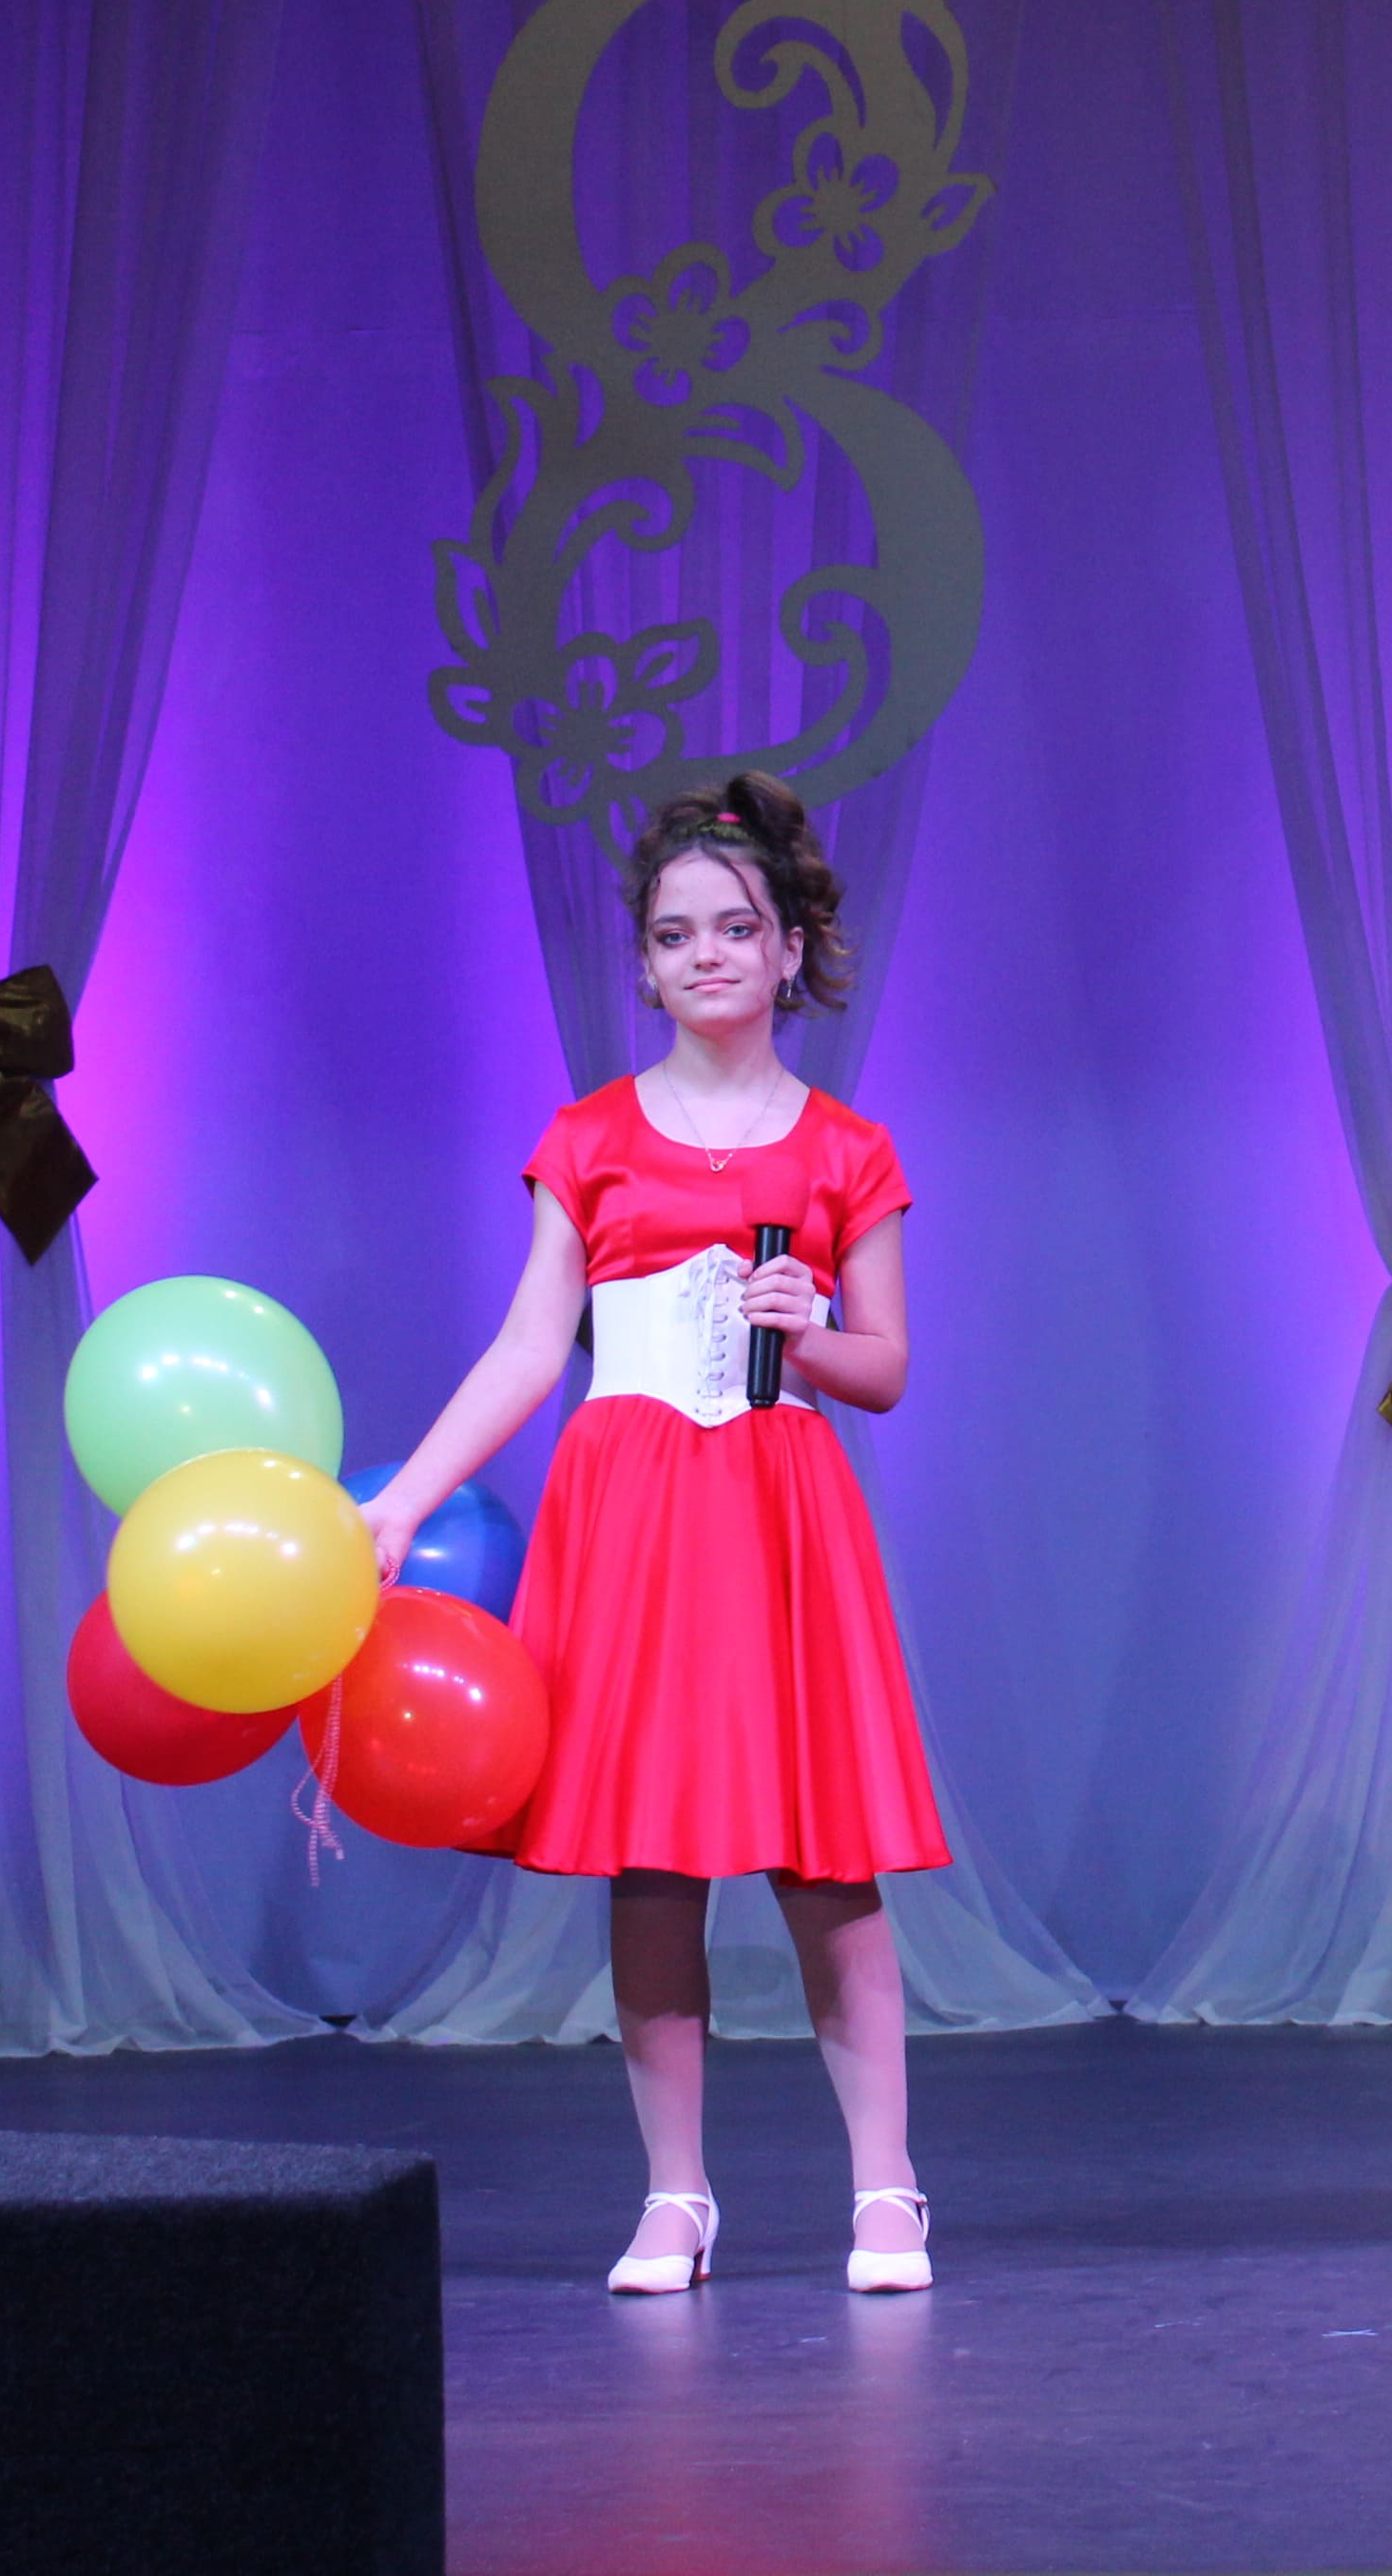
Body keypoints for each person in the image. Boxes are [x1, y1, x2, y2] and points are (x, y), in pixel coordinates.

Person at [362, 772, 943, 2298]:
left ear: (788, 947)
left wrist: (810, 1328)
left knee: (826, 1860)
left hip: (779, 1513)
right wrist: (402, 1503)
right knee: (652, 1862)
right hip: (630, 1516)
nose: (705, 955)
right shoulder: (591, 1139)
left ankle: (886, 2185)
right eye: (675, 934)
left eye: (735, 928)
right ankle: (676, 2194)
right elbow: (524, 1350)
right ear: (645, 961)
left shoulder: (847, 1149)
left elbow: (887, 1366)